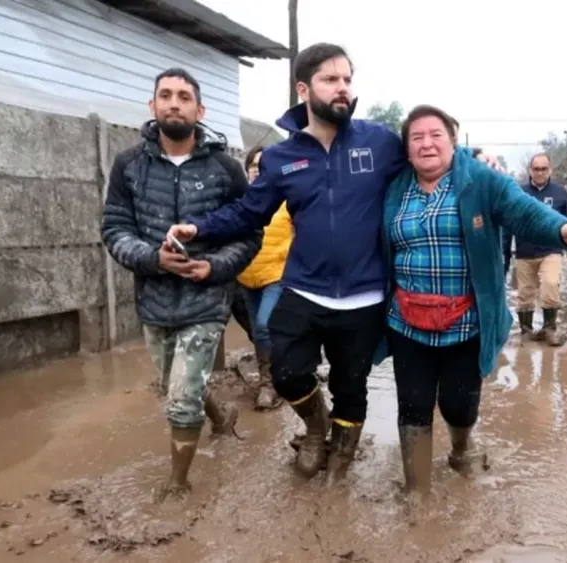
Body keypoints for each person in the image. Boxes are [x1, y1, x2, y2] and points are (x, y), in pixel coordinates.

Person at [165, 43, 502, 483]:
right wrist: (200, 229)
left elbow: (431, 156)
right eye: (331, 79)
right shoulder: (283, 158)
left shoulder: (379, 141)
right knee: (286, 372)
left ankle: (341, 454)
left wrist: (477, 163)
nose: (343, 88)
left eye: (347, 79)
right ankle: (315, 428)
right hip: (304, 288)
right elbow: (250, 212)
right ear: (303, 88)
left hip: (365, 296)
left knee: (351, 386)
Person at [383, 105, 567, 497]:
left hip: (466, 322)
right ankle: (416, 494)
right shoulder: (394, 187)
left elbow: (522, 210)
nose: (427, 143)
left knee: (458, 404)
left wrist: (563, 228)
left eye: (436, 135)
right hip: (407, 321)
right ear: (406, 149)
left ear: (454, 140)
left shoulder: (480, 180)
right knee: (412, 406)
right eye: (417, 137)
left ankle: (462, 449)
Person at [101, 68, 262, 499]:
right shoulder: (129, 166)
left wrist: (215, 267)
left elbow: (248, 234)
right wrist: (153, 259)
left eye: (185, 96)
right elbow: (115, 229)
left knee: (181, 396)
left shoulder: (226, 169)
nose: (175, 103)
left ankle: (177, 485)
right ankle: (221, 416)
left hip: (207, 299)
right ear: (152, 106)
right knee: (177, 384)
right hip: (153, 301)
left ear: (200, 109)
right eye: (166, 95)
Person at [235, 145, 294, 410]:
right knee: (259, 334)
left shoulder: (287, 201)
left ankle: (274, 383)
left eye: (264, 165)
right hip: (247, 278)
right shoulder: (239, 203)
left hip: (277, 275)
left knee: (263, 325)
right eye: (254, 165)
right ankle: (271, 379)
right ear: (247, 170)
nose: (258, 169)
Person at [503, 153, 567, 346]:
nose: (540, 172)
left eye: (544, 169)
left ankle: (549, 329)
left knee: (551, 284)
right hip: (524, 252)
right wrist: (505, 254)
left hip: (551, 250)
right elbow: (509, 222)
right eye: (536, 169)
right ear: (530, 171)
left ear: (550, 170)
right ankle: (526, 331)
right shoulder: (519, 192)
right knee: (525, 293)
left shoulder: (560, 193)